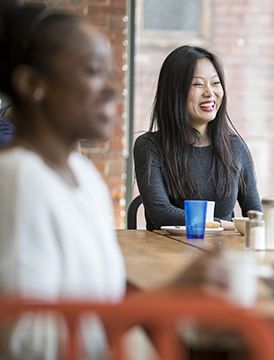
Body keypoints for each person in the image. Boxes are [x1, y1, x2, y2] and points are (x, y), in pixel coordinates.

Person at [0, 5, 223, 358]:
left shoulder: (84, 177)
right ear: (32, 85)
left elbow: (101, 308)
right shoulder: (17, 180)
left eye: (110, 73)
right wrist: (161, 301)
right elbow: (27, 342)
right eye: (92, 71)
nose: (112, 88)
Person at [134, 45, 261, 231]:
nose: (210, 93)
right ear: (174, 92)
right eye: (198, 84)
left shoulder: (234, 146)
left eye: (215, 83)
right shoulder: (149, 146)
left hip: (222, 255)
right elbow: (161, 214)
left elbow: (255, 214)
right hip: (166, 254)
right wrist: (226, 225)